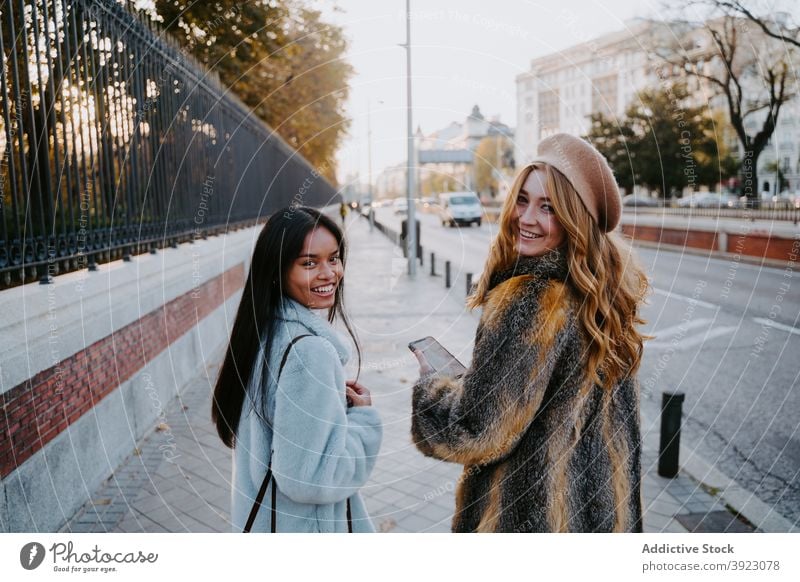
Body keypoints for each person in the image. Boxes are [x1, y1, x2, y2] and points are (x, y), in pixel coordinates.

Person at [410, 133, 649, 533]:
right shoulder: (606, 297)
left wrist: (434, 387)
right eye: (522, 200)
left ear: (574, 219)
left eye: (548, 208)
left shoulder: (532, 299)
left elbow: (477, 431)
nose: (527, 218)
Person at [212, 206, 382, 532]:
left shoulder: (264, 331)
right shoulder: (308, 353)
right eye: (309, 263)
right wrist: (363, 421)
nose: (329, 273)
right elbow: (310, 480)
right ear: (277, 269)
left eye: (333, 258)